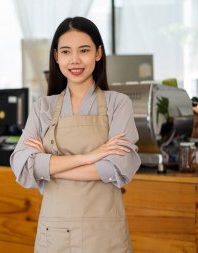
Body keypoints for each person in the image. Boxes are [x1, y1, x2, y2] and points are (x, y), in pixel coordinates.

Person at [10, 17, 141, 253]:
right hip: (55, 233)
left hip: (104, 233)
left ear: (98, 53)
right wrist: (90, 157)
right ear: (56, 56)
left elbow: (117, 167)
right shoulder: (43, 107)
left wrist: (49, 165)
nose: (75, 60)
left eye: (84, 50)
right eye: (66, 51)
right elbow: (23, 167)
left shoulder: (118, 103)